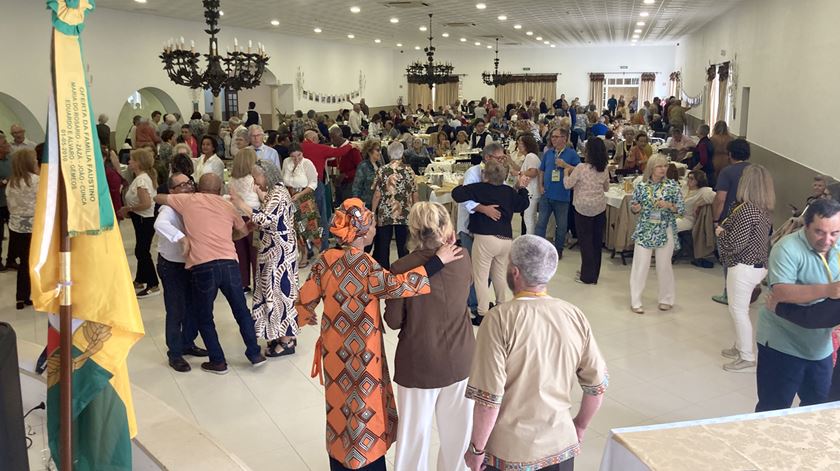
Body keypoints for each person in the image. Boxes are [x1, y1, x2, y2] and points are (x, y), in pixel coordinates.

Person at [295, 198, 464, 471]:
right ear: (362, 232)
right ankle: (364, 461)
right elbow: (399, 286)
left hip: (333, 351)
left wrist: (307, 314)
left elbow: (304, 300)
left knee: (338, 406)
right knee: (364, 409)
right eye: (372, 223)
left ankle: (340, 460)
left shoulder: (326, 260)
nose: (376, 226)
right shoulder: (365, 265)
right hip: (364, 354)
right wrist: (438, 262)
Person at [464, 235, 607, 471]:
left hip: (510, 451)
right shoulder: (573, 314)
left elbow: (489, 400)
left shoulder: (499, 319)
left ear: (515, 272)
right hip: (560, 447)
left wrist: (476, 449)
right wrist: (579, 427)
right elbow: (597, 386)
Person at [384, 202, 475, 471]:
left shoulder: (401, 267)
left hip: (419, 361)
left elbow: (393, 321)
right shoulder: (463, 257)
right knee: (459, 436)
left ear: (413, 230)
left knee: (414, 436)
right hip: (461, 358)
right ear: (446, 226)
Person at [154, 173, 266, 374]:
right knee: (241, 311)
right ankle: (255, 354)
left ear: (198, 186)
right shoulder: (228, 206)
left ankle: (218, 361)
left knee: (204, 315)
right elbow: (240, 233)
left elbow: (157, 197)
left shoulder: (188, 200)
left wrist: (167, 196)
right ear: (220, 189)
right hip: (230, 263)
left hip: (203, 266)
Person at [749, 198, 840, 411]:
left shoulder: (837, 245)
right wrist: (828, 290)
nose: (827, 240)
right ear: (806, 225)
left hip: (820, 346)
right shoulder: (787, 248)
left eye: (834, 233)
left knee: (819, 407)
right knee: (774, 408)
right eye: (819, 232)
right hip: (783, 343)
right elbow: (780, 292)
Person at [230, 165, 299, 357]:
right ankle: (281, 334)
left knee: (279, 291)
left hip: (279, 251)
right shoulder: (274, 192)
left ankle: (286, 340)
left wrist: (241, 203)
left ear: (265, 175)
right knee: (273, 289)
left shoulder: (278, 192)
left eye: (256, 177)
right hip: (274, 248)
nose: (255, 181)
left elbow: (265, 219)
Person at [452, 159, 530, 327]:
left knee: (480, 277)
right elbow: (523, 204)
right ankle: (501, 306)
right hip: (506, 239)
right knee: (499, 275)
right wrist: (522, 188)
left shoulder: (479, 189)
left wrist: (463, 185)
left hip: (485, 238)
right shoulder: (508, 191)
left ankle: (482, 313)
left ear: (485, 175)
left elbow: (457, 194)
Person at [716, 165, 775, 372]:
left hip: (743, 265)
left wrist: (721, 233)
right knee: (741, 309)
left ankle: (747, 356)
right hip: (757, 265)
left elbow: (736, 244)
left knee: (738, 310)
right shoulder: (763, 209)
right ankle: (740, 345)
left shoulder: (748, 209)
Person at [154, 172, 207, 372]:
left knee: (193, 307)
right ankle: (175, 353)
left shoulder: (194, 203)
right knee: (176, 310)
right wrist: (181, 238)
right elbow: (160, 225)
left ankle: (187, 343)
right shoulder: (169, 208)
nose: (188, 187)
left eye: (189, 183)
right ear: (172, 192)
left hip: (191, 263)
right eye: (182, 185)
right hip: (172, 265)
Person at [629, 154, 685, 314]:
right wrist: (635, 208)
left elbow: (681, 209)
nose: (663, 169)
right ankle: (636, 300)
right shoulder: (641, 185)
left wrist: (669, 205)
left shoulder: (673, 186)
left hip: (665, 228)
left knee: (664, 265)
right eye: (659, 166)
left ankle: (666, 298)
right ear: (652, 168)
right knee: (641, 265)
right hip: (645, 229)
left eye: (665, 166)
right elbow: (633, 205)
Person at [301, 129, 357, 251]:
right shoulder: (319, 148)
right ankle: (324, 247)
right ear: (314, 139)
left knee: (305, 219)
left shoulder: (300, 148)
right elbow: (338, 152)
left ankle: (308, 249)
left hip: (300, 188)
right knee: (322, 217)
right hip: (316, 184)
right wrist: (351, 146)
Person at [564, 138, 610, 284]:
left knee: (585, 242)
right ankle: (593, 274)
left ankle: (586, 276)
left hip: (582, 208)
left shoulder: (580, 168)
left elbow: (568, 185)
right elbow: (606, 188)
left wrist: (565, 173)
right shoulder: (604, 169)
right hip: (599, 207)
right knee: (596, 243)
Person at [712, 138, 752, 305]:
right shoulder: (756, 171)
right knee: (747, 257)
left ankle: (729, 293)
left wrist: (716, 220)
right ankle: (747, 292)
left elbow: (721, 199)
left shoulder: (727, 172)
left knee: (729, 256)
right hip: (753, 218)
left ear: (730, 154)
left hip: (731, 219)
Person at [118, 149, 160, 298]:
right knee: (140, 249)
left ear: (139, 163)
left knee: (142, 251)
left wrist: (128, 208)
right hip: (141, 219)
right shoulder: (142, 178)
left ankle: (153, 283)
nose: (129, 162)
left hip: (144, 219)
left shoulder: (142, 181)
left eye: (131, 160)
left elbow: (146, 203)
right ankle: (140, 279)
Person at [535, 127, 580, 259]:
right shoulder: (549, 153)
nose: (553, 139)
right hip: (546, 194)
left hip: (562, 196)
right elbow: (541, 171)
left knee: (561, 226)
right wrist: (540, 186)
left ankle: (558, 250)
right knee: (541, 223)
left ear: (564, 138)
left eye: (556, 136)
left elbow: (579, 171)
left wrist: (565, 165)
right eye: (552, 137)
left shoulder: (571, 154)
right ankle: (538, 249)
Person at [371, 141, 418, 269]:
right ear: (402, 153)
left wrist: (372, 212)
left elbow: (377, 194)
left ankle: (384, 273)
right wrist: (415, 210)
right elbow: (414, 193)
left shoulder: (382, 170)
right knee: (403, 246)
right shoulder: (409, 171)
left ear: (389, 154)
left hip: (385, 213)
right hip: (404, 213)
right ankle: (403, 272)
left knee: (383, 246)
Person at [6, 148, 39, 309]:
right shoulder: (35, 181)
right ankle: (32, 293)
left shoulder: (11, 183)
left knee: (24, 262)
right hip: (33, 227)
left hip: (16, 227)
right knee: (34, 262)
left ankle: (21, 296)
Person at [281, 143, 320, 267]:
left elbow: (313, 183)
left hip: (304, 198)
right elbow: (283, 179)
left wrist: (299, 195)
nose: (297, 159)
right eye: (293, 156)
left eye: (299, 155)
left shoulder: (307, 163)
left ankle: (314, 251)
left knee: (308, 228)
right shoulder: (286, 162)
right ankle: (302, 252)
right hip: (290, 197)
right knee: (295, 228)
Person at [228, 148, 260, 292]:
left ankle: (243, 283)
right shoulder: (253, 179)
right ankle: (258, 282)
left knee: (240, 251)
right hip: (253, 216)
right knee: (256, 251)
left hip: (236, 217)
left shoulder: (231, 179)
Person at [506, 134, 541, 234]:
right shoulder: (529, 157)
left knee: (528, 219)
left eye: (521, 143)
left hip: (531, 192)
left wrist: (519, 173)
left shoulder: (531, 156)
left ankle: (530, 239)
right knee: (530, 218)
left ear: (527, 145)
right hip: (531, 191)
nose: (518, 145)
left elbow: (533, 172)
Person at [351, 139, 381, 210]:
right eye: (377, 150)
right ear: (370, 152)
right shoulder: (363, 166)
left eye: (380, 150)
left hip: (378, 204)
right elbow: (356, 187)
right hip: (366, 204)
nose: (380, 152)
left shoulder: (379, 165)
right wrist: (356, 204)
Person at [0, 133, 12, 271]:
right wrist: (5, 181)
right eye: (4, 144)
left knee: (14, 235)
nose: (8, 145)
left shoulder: (10, 159)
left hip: (10, 204)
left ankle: (11, 260)